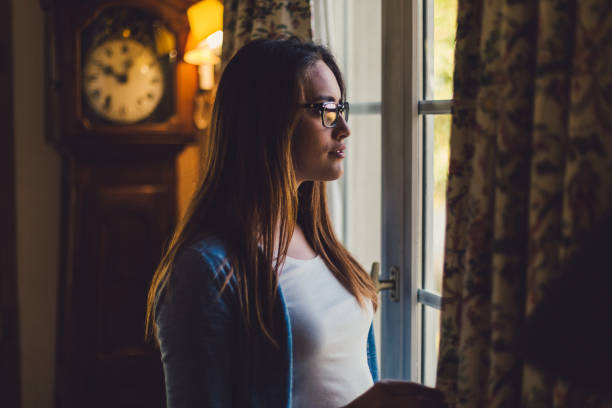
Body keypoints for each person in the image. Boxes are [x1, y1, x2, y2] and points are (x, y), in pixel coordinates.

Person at [145, 38, 445, 408]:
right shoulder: (202, 273)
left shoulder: (319, 242)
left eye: (341, 108)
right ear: (267, 120)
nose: (345, 128)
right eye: (326, 109)